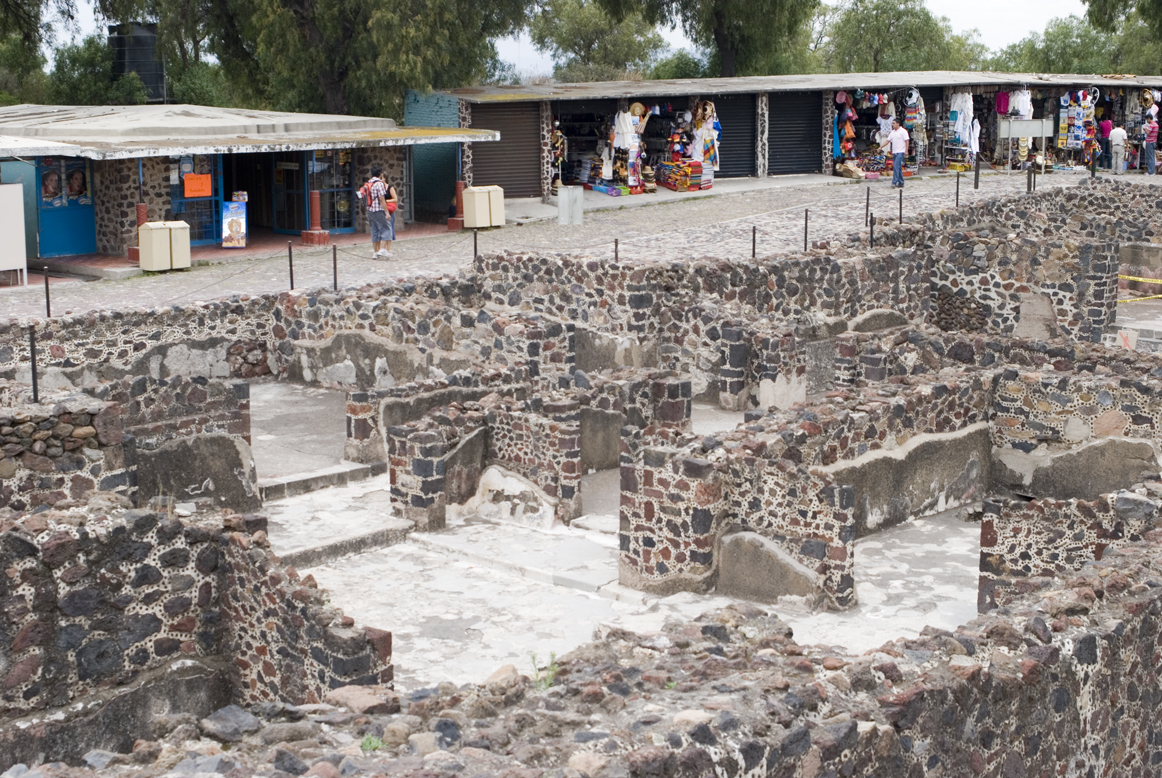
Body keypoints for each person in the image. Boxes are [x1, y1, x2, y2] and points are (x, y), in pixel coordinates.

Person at [356, 166, 398, 258]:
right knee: (386, 229)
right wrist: (386, 212)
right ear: (380, 174)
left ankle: (375, 252)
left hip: (369, 210)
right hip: (378, 210)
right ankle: (382, 250)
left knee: (374, 230)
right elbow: (382, 199)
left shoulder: (368, 183)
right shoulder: (379, 183)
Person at [880, 118, 910, 188]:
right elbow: (887, 141)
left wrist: (906, 150)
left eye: (894, 123)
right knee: (898, 168)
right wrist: (881, 147)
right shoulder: (892, 132)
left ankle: (894, 182)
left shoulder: (903, 131)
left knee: (896, 166)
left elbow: (907, 141)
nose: (892, 125)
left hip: (901, 152)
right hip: (894, 152)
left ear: (898, 124)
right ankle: (901, 182)